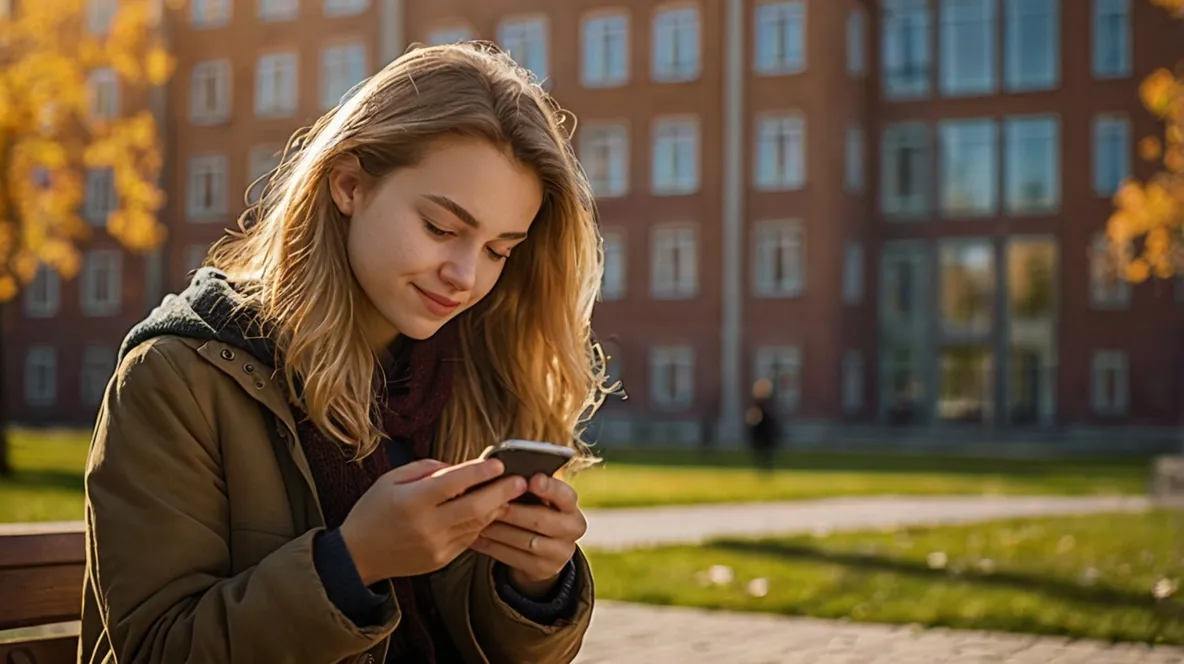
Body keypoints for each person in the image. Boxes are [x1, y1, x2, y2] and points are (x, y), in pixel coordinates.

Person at [79, 41, 609, 664]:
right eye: (441, 228)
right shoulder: (176, 379)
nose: (466, 276)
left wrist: (535, 585)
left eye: (499, 250)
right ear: (350, 184)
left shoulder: (475, 377)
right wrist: (353, 563)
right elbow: (155, 650)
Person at [745, 378, 780, 473]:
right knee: (762, 452)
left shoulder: (767, 405)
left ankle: (765, 467)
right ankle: (763, 467)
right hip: (761, 431)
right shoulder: (758, 405)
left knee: (766, 452)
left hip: (765, 432)